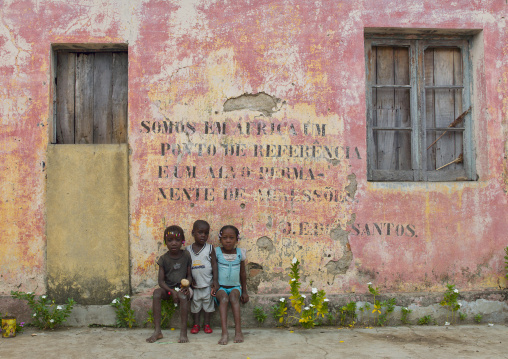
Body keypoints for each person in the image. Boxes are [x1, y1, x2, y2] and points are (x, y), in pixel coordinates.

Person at [146, 225, 192, 343]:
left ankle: (183, 333)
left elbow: (189, 276)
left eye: (177, 240)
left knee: (182, 296)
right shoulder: (163, 259)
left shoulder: (186, 255)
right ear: (165, 242)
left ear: (182, 241)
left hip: (182, 289)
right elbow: (161, 281)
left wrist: (186, 286)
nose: (174, 243)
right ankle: (157, 331)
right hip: (168, 289)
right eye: (170, 240)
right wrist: (171, 291)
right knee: (156, 293)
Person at [214, 225, 249, 345]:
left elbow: (243, 273)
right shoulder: (217, 252)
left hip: (235, 287)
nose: (228, 240)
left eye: (231, 238)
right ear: (220, 239)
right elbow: (213, 270)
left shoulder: (240, 253)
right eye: (224, 238)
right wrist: (214, 286)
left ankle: (238, 331)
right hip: (220, 287)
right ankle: (224, 333)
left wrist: (244, 291)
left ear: (236, 239)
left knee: (234, 298)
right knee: (224, 298)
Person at [187, 220, 219, 334]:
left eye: (206, 233)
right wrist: (189, 279)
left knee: (208, 305)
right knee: (195, 305)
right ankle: (196, 324)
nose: (203, 235)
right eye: (200, 232)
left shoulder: (210, 248)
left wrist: (215, 281)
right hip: (195, 285)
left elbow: (214, 264)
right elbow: (187, 266)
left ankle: (206, 324)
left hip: (207, 284)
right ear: (193, 233)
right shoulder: (188, 250)